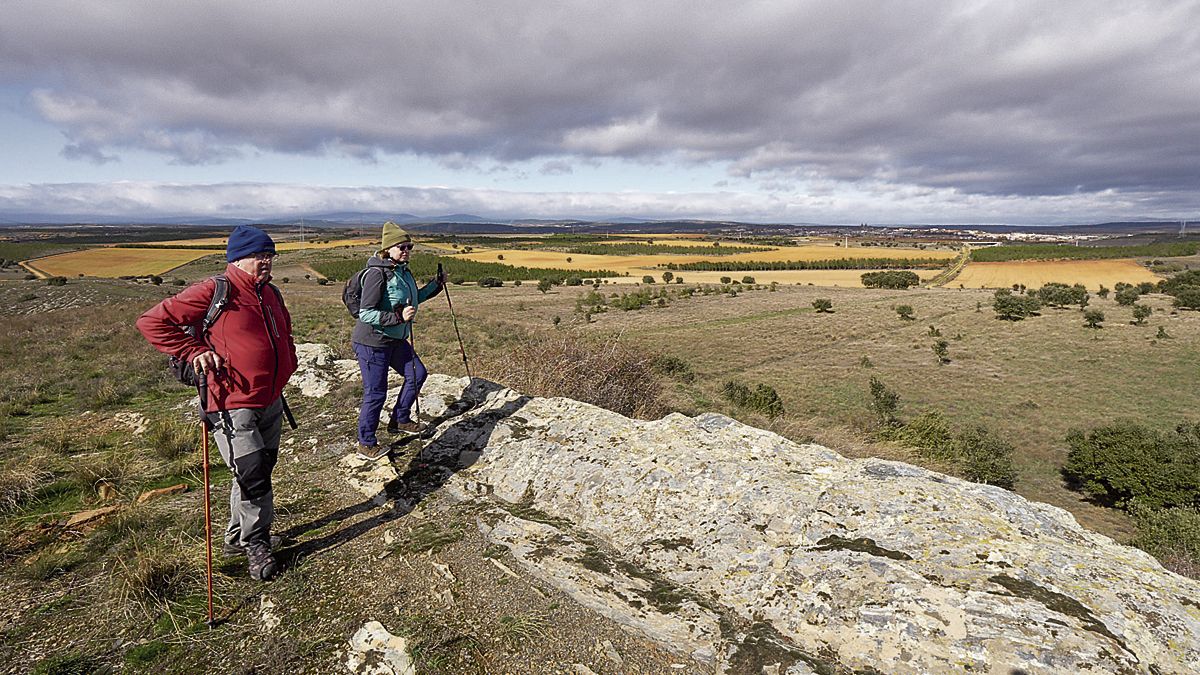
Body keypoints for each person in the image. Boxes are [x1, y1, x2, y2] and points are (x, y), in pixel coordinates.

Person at [136, 225, 298, 581]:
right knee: (253, 473)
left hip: (270, 399)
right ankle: (256, 543)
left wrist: (289, 361)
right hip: (230, 401)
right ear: (238, 259)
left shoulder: (270, 292)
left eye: (270, 255)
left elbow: (283, 333)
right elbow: (151, 322)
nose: (267, 261)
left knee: (254, 471)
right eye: (260, 256)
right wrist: (193, 350)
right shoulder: (215, 290)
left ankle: (234, 538)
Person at [352, 221, 444, 460]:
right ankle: (366, 442)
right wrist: (397, 316)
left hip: (395, 339)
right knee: (376, 392)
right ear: (387, 249)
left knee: (417, 374)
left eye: (409, 246)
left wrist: (436, 286)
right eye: (401, 246)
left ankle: (400, 419)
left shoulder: (402, 271)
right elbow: (366, 313)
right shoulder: (376, 273)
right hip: (373, 342)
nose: (406, 250)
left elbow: (415, 298)